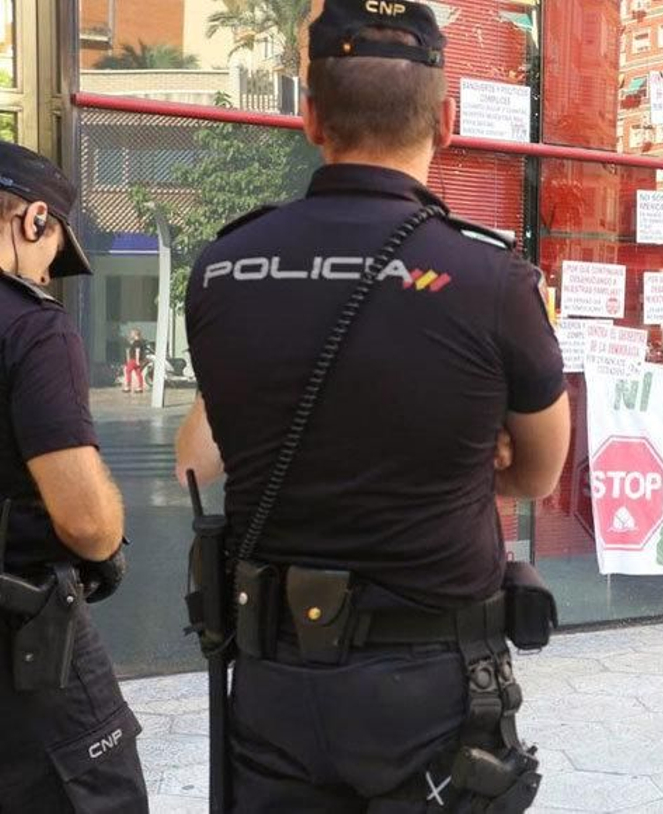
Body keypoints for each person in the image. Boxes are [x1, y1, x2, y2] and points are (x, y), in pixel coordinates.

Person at [174, 2, 570, 810]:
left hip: (272, 681)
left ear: (309, 116)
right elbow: (537, 473)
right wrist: (463, 450)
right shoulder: (495, 283)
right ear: (447, 121)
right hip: (430, 690)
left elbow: (199, 455)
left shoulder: (221, 269)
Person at [0, 142, 146, 811]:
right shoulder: (32, 328)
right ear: (33, 220)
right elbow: (85, 523)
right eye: (52, 246)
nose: (47, 269)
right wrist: (109, 541)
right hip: (27, 651)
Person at [123, 327, 148, 393]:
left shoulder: (137, 343)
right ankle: (140, 387)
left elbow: (137, 351)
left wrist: (136, 361)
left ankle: (127, 387)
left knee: (128, 371)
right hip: (137, 360)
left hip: (133, 360)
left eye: (131, 333)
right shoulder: (140, 342)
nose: (131, 335)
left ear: (135, 334)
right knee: (138, 373)